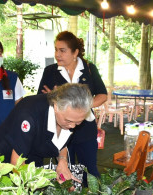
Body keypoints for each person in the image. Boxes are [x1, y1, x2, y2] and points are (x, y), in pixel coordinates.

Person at [37, 31, 107, 180]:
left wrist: (81, 107)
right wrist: (53, 97)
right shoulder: (50, 71)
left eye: (62, 50)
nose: (57, 54)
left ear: (75, 52)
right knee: (64, 171)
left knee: (89, 171)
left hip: (85, 127)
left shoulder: (89, 68)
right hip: (60, 128)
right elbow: (41, 100)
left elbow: (102, 95)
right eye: (56, 49)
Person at [0, 83, 93, 182]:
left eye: (78, 122)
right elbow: (17, 161)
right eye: (69, 121)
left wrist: (62, 162)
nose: (72, 126)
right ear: (56, 106)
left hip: (34, 154)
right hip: (5, 158)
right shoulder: (29, 114)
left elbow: (61, 140)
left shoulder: (70, 115)